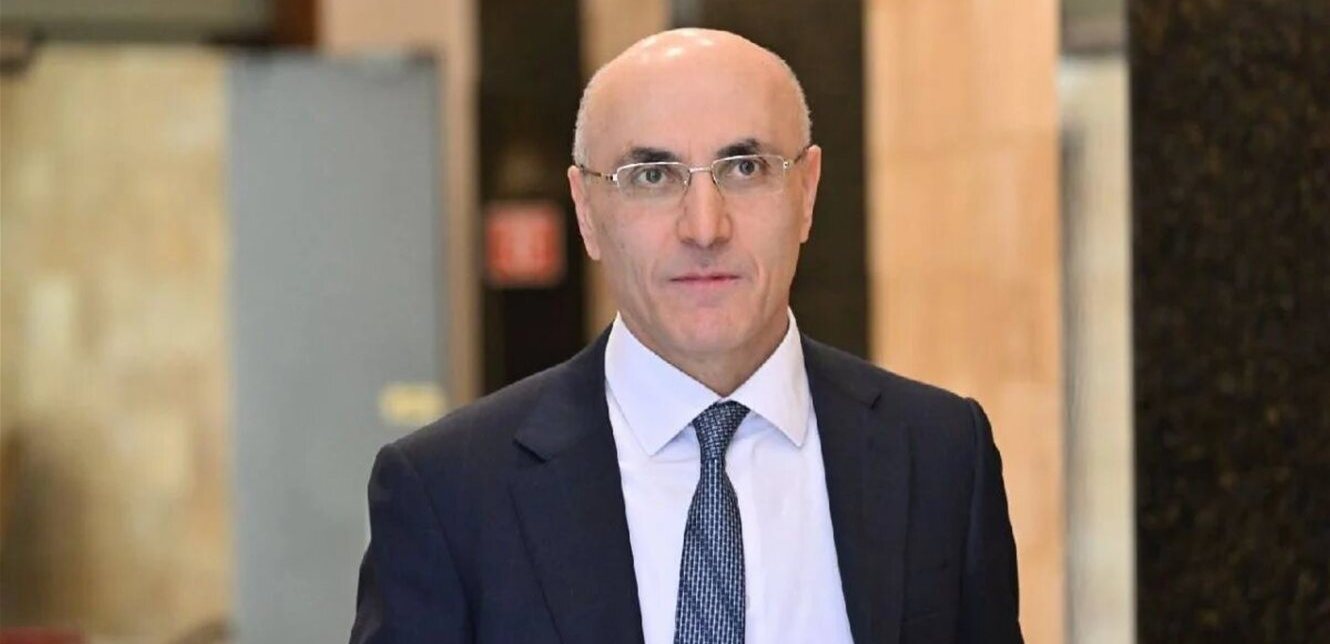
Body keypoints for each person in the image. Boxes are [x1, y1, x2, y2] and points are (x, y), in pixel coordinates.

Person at [350, 28, 1022, 644]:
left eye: (746, 167)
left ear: (808, 193)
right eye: (652, 177)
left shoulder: (940, 456)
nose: (704, 227)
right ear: (586, 211)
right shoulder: (449, 494)